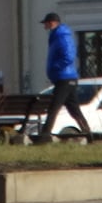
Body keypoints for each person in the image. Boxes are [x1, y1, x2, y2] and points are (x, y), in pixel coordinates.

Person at [34, 12, 90, 141]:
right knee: (74, 109)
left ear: (52, 23)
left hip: (64, 78)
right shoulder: (57, 36)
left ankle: (44, 135)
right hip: (65, 77)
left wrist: (56, 67)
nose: (45, 27)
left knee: (54, 107)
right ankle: (88, 134)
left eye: (46, 23)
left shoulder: (62, 36)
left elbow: (69, 56)